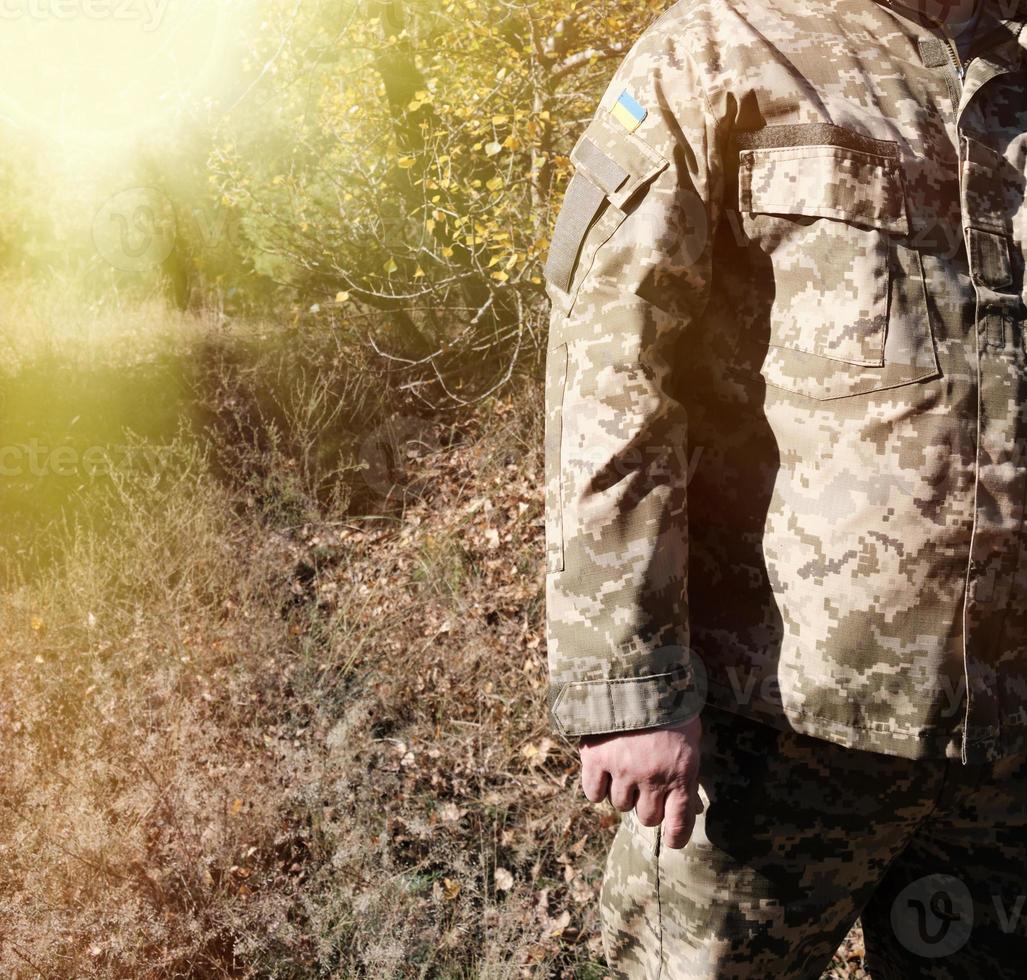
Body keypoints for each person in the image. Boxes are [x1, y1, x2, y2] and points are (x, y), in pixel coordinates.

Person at [540, 0, 1027, 975]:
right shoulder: (722, 43)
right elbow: (612, 362)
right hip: (777, 727)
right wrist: (628, 684)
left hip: (1005, 747)